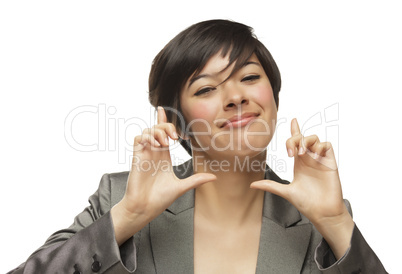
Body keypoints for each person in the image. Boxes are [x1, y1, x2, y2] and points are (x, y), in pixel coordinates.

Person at [8, 19, 387, 274]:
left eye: (250, 77)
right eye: (206, 88)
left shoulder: (322, 216)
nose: (237, 97)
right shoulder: (118, 198)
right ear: (177, 123)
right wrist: (129, 216)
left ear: (273, 97)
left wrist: (337, 224)